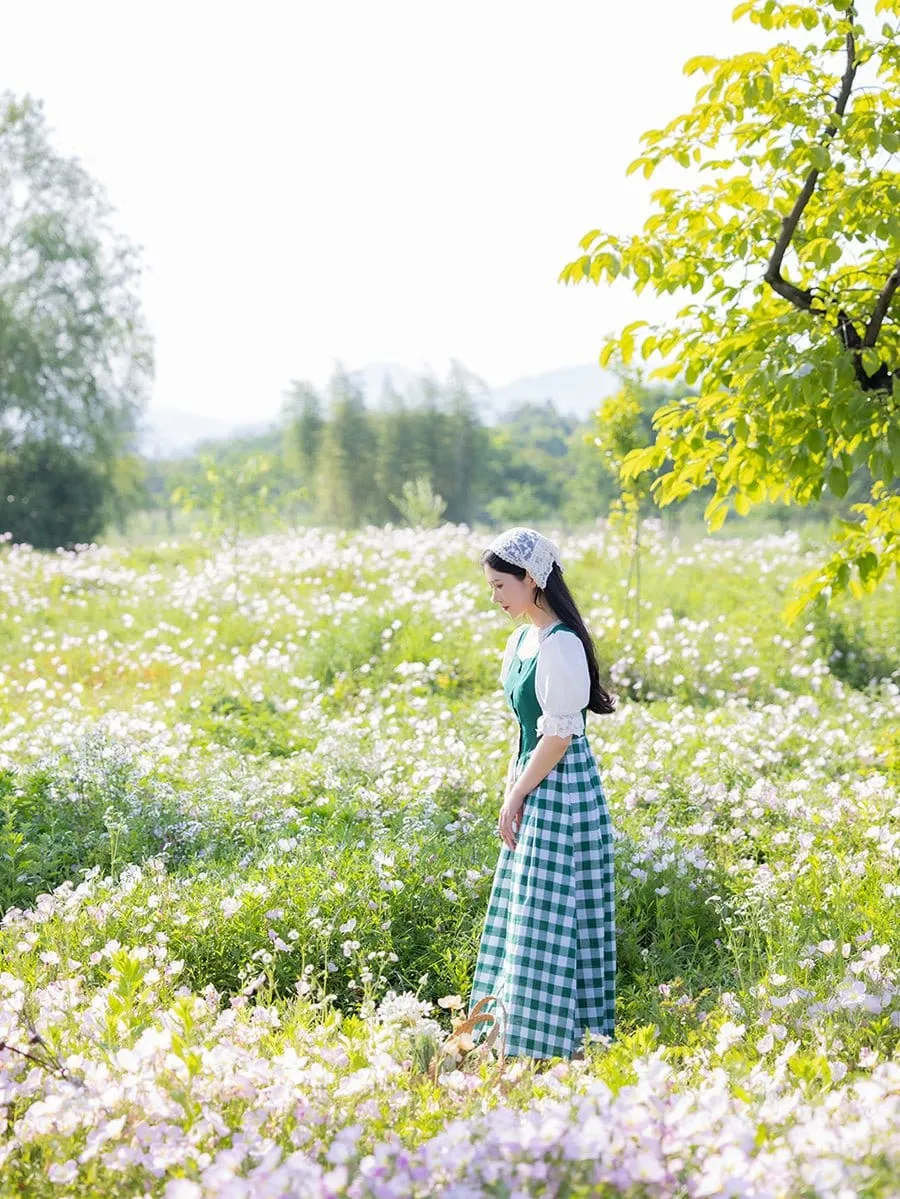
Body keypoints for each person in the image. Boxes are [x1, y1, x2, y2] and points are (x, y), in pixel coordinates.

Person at [468, 526, 617, 1064]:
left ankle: (561, 1041)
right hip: (531, 776)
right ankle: (513, 1035)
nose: (495, 598)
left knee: (552, 910)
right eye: (490, 587)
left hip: (561, 788)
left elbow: (559, 734)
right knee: (526, 909)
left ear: (531, 580)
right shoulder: (521, 640)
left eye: (501, 586)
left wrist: (516, 793)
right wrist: (514, 785)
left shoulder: (562, 644)